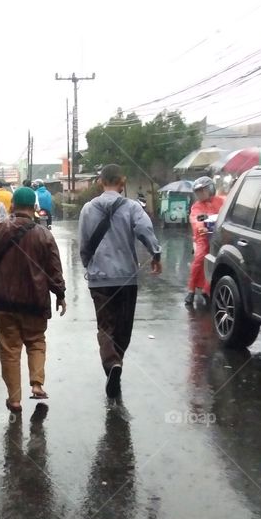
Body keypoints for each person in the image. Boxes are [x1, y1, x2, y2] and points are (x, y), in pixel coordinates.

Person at [0, 186, 66, 412]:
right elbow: (54, 268)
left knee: (10, 350)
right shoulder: (44, 234)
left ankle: (14, 400)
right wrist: (60, 294)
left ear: (13, 206)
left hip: (6, 302)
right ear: (35, 208)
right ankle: (37, 384)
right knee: (36, 341)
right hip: (36, 302)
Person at [78, 164, 162, 398]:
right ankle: (117, 364)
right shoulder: (133, 207)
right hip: (126, 278)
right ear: (122, 182)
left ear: (100, 181)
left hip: (99, 279)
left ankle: (112, 365)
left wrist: (88, 264)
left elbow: (84, 242)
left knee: (105, 326)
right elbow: (145, 229)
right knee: (123, 328)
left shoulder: (87, 208)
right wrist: (155, 254)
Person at [185, 175, 225, 307]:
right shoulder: (197, 206)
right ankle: (191, 289)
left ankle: (206, 290)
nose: (200, 194)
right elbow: (197, 219)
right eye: (198, 192)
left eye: (203, 190)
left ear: (210, 189)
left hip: (219, 237)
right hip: (203, 238)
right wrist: (201, 227)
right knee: (199, 259)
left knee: (218, 262)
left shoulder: (222, 201)